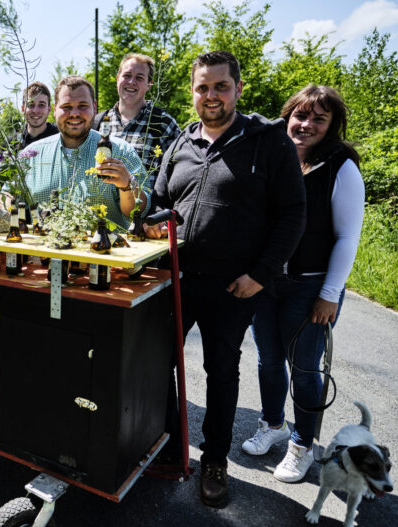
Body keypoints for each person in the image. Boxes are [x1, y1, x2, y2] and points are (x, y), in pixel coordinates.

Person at [150, 51, 306, 507]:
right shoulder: (181, 142)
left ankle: (214, 459)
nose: (211, 95)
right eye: (203, 87)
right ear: (192, 92)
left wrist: (260, 274)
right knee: (152, 361)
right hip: (175, 279)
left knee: (220, 370)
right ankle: (167, 443)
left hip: (232, 286)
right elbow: (160, 201)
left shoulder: (267, 143)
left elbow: (293, 214)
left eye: (220, 86)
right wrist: (151, 222)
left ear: (238, 88)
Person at [241, 85, 365, 483]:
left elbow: (348, 237)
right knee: (268, 361)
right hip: (267, 282)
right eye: (300, 115)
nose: (306, 124)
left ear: (332, 126)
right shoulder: (272, 157)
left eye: (319, 118)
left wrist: (330, 294)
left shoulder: (340, 166)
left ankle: (302, 444)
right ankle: (272, 424)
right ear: (287, 116)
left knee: (307, 369)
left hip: (311, 288)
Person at [24, 76, 147, 229]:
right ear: (54, 110)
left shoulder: (121, 151)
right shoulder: (31, 154)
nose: (74, 113)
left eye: (82, 106)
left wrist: (127, 184)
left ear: (94, 108)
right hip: (44, 251)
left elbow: (141, 211)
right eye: (67, 107)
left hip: (104, 250)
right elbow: (9, 196)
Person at [93, 53, 180, 214]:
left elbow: (178, 178)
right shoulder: (98, 122)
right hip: (103, 220)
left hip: (145, 221)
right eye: (127, 75)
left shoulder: (162, 123)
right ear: (118, 78)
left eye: (139, 78)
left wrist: (161, 215)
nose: (131, 82)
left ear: (149, 84)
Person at [17, 81, 58, 148]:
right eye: (30, 105)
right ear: (23, 109)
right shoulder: (12, 144)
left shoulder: (61, 138)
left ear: (49, 109)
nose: (35, 111)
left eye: (41, 105)